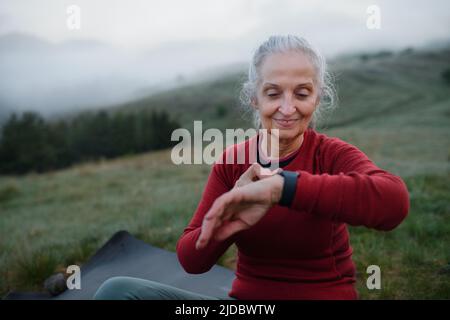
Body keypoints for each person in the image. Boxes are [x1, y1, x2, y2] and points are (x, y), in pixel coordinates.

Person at [94, 35, 409, 300]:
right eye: (273, 93)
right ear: (254, 98)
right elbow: (191, 260)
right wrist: (225, 222)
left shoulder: (330, 156)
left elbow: (393, 203)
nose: (287, 108)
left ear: (317, 98)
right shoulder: (232, 163)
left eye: (302, 93)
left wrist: (281, 188)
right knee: (117, 291)